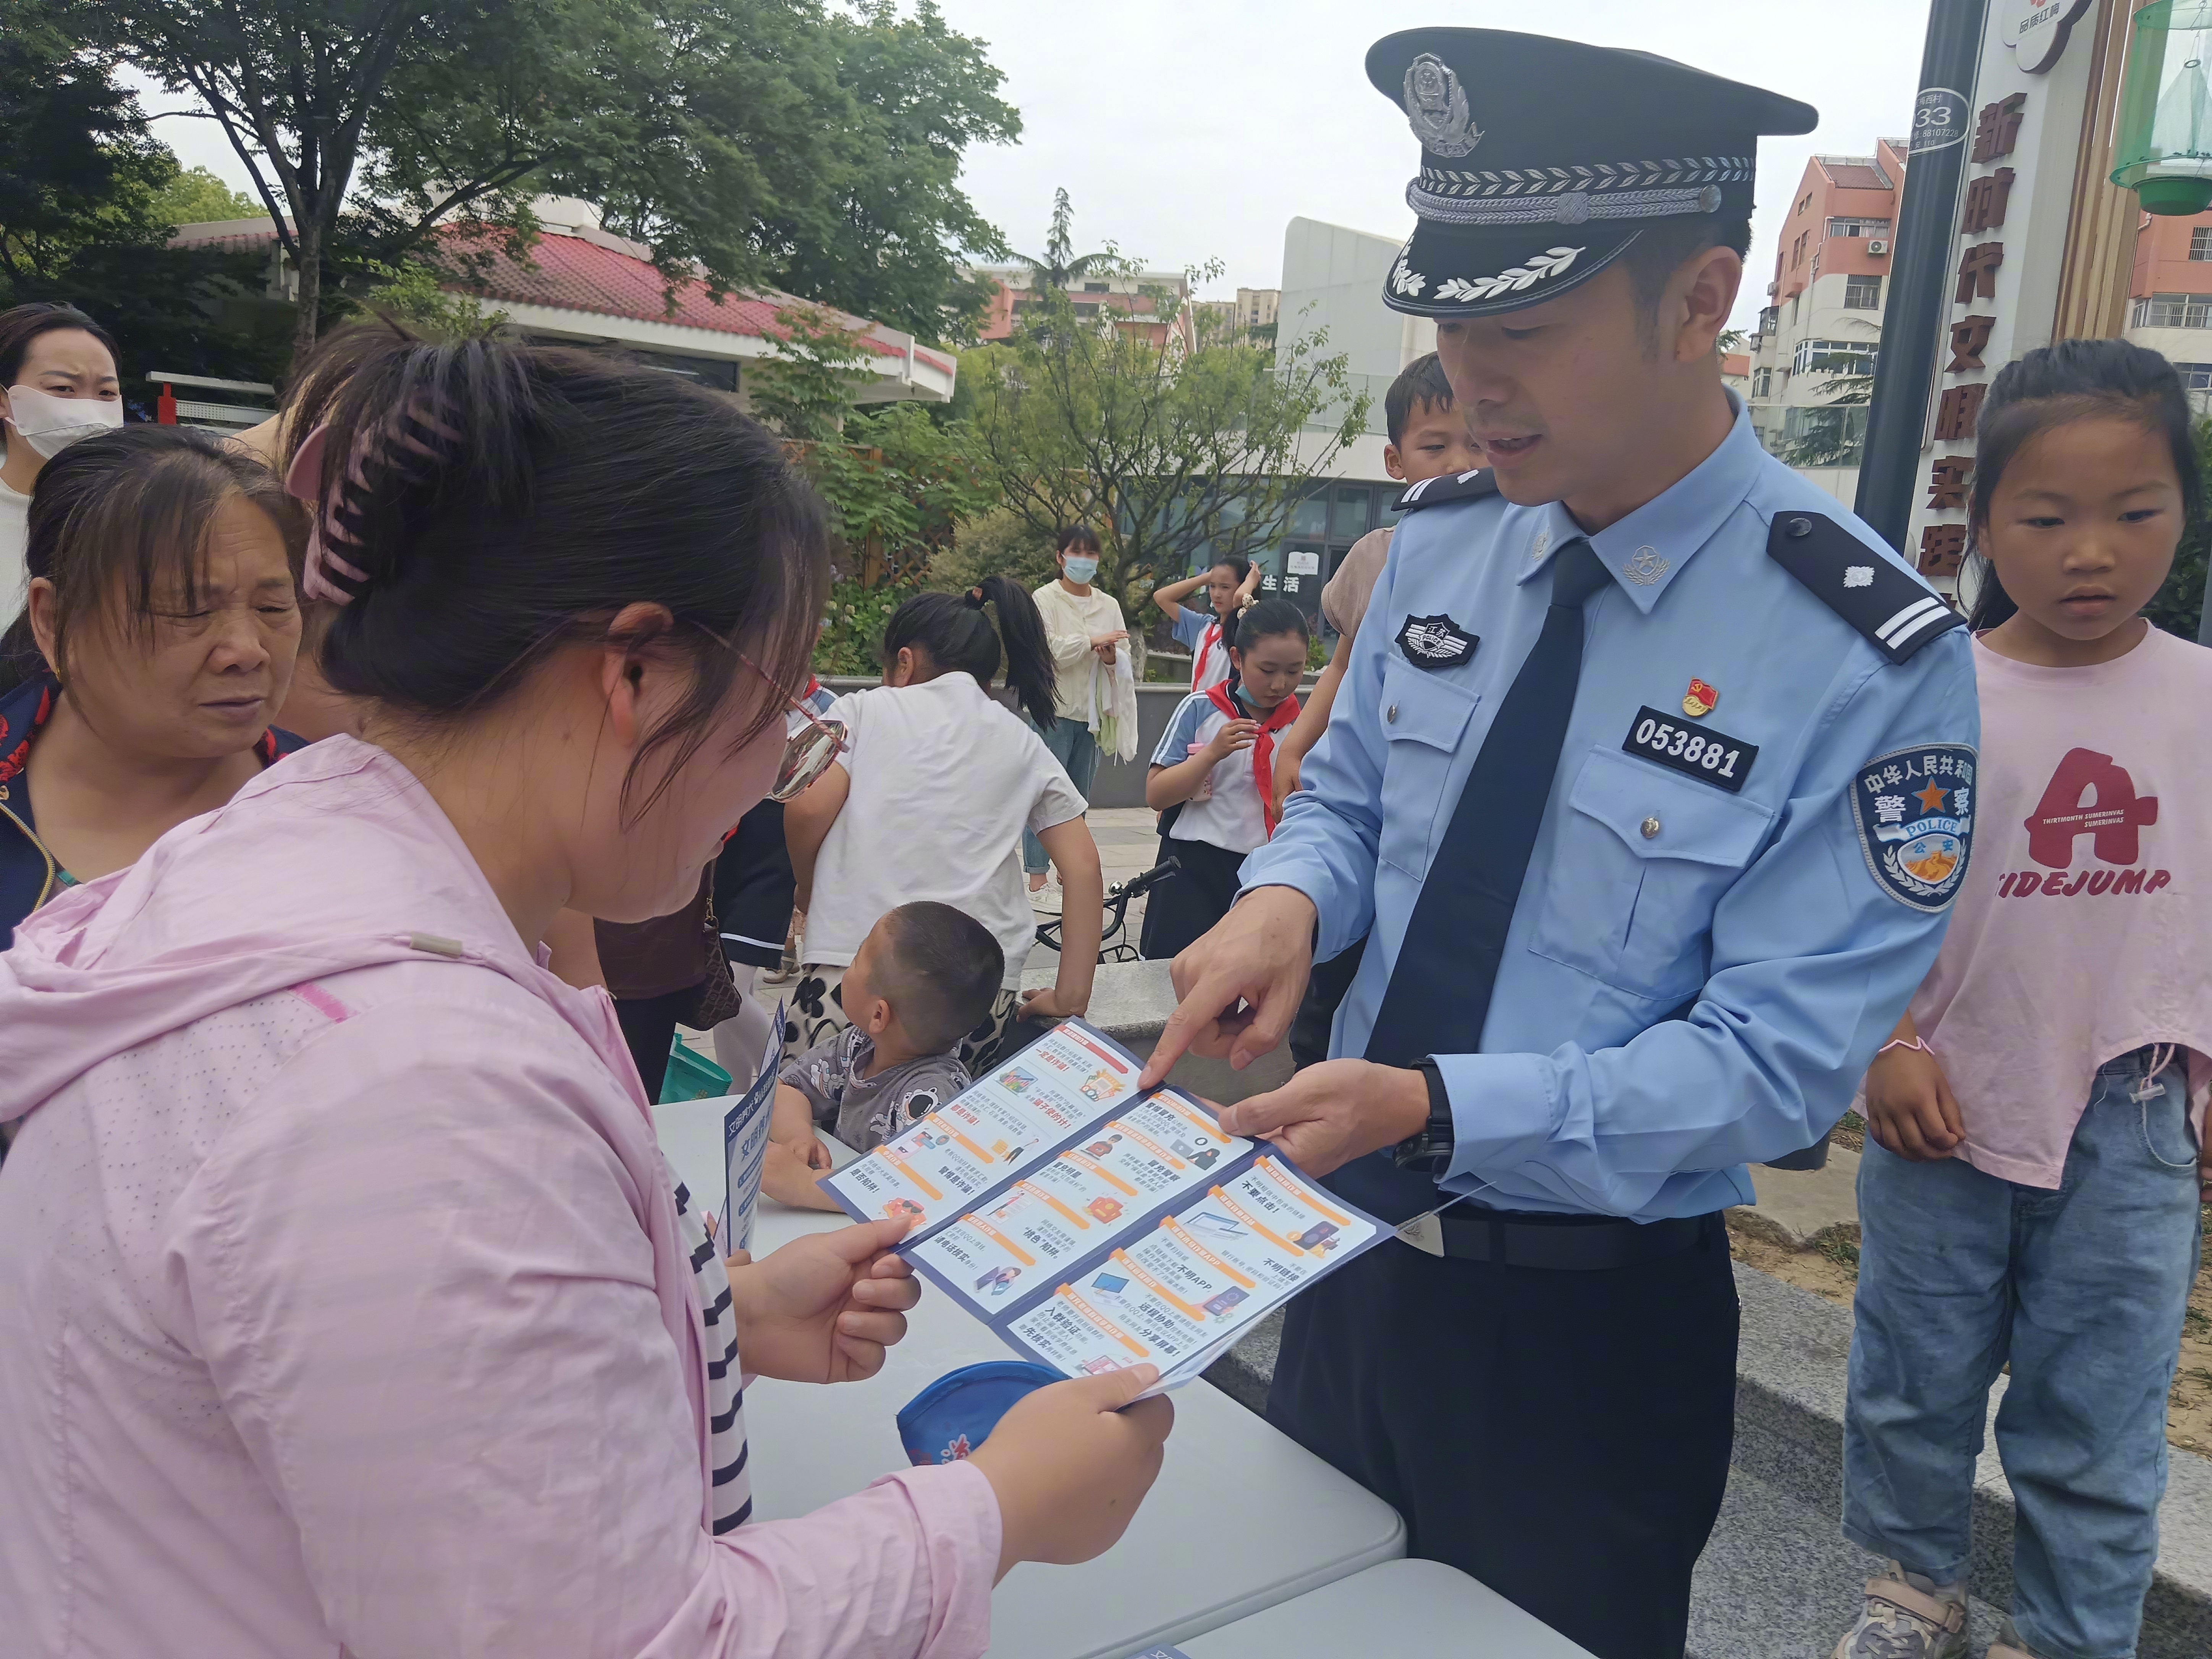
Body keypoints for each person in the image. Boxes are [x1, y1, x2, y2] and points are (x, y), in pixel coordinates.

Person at [0, 336, 1172, 1659]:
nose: (768, 779)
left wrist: (708, 1313)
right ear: (636, 672)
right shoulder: (419, 1097)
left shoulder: (282, 881)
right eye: (783, 710)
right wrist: (996, 1508)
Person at [1138, 32, 1977, 1659]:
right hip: (1342, 1260)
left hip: (1587, 1332)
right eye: (1449, 326)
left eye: (1521, 328)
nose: (1468, 383)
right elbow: (1352, 800)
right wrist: (1282, 907)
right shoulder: (1444, 550)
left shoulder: (1861, 648)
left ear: (1697, 300)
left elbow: (1776, 1063)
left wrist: (1443, 1107)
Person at [1829, 341, 2212, 1659]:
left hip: (2137, 1112)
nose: (2090, 552)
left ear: (2185, 513)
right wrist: (1881, 1042)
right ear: (1982, 518)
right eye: (2046, 519)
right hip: (1944, 1096)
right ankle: (1909, 1586)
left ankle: (2071, 1635)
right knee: (1910, 1381)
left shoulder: (2203, 700)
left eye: (2135, 513)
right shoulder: (1925, 695)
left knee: (2100, 1410)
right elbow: (1849, 895)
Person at [0, 426, 306, 952]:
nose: (248, 650)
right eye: (188, 610)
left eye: (273, 607)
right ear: (55, 620)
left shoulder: (335, 810)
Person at [783, 578, 1104, 1067]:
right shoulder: (1021, 742)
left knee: (806, 1122)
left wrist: (808, 891)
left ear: (905, 662)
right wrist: (1070, 996)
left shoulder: (864, 710)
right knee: (938, 1131)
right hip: (975, 998)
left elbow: (807, 808)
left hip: (852, 976)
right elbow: (1082, 868)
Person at [1272, 352, 1481, 1069]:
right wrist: (1294, 744)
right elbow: (1347, 665)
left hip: (1438, 819)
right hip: (1371, 795)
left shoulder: (1518, 557)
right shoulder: (1379, 555)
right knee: (1331, 969)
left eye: (1476, 442)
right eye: (1435, 446)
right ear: (1395, 460)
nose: (1459, 462)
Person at [764, 901, 1004, 1210]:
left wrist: (804, 1187)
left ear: (879, 1014)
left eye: (854, 961)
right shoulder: (858, 1045)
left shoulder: (930, 1096)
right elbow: (790, 1090)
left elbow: (919, 1193)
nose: (845, 973)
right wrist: (796, 1136)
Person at [1138, 597, 1308, 961]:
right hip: (1191, 869)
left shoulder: (1303, 727)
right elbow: (1156, 794)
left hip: (1263, 873)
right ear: (1237, 659)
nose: (1280, 684)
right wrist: (1213, 753)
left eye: (1294, 672)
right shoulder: (1201, 708)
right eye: (1267, 669)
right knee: (1169, 978)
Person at [0, 304, 124, 614]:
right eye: (63, 388)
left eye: (107, 393)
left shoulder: (151, 511)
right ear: (4, 401)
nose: (90, 410)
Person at [1025, 525, 1124, 899]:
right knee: (1041, 793)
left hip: (1091, 713)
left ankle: (1070, 870)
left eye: (1091, 554)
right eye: (1075, 553)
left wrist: (1112, 658)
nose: (1083, 561)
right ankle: (1037, 878)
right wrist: (1091, 641)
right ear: (1060, 557)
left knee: (1077, 795)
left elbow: (1122, 659)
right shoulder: (1043, 599)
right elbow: (1047, 651)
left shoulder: (1108, 605)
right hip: (1051, 709)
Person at [1152, 554, 1261, 692]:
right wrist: (1209, 576)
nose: (1216, 594)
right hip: (1199, 710)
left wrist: (1251, 581)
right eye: (1212, 586)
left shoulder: (1249, 630)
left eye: (1225, 587)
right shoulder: (1203, 625)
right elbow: (1161, 597)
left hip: (1229, 711)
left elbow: (1239, 601)